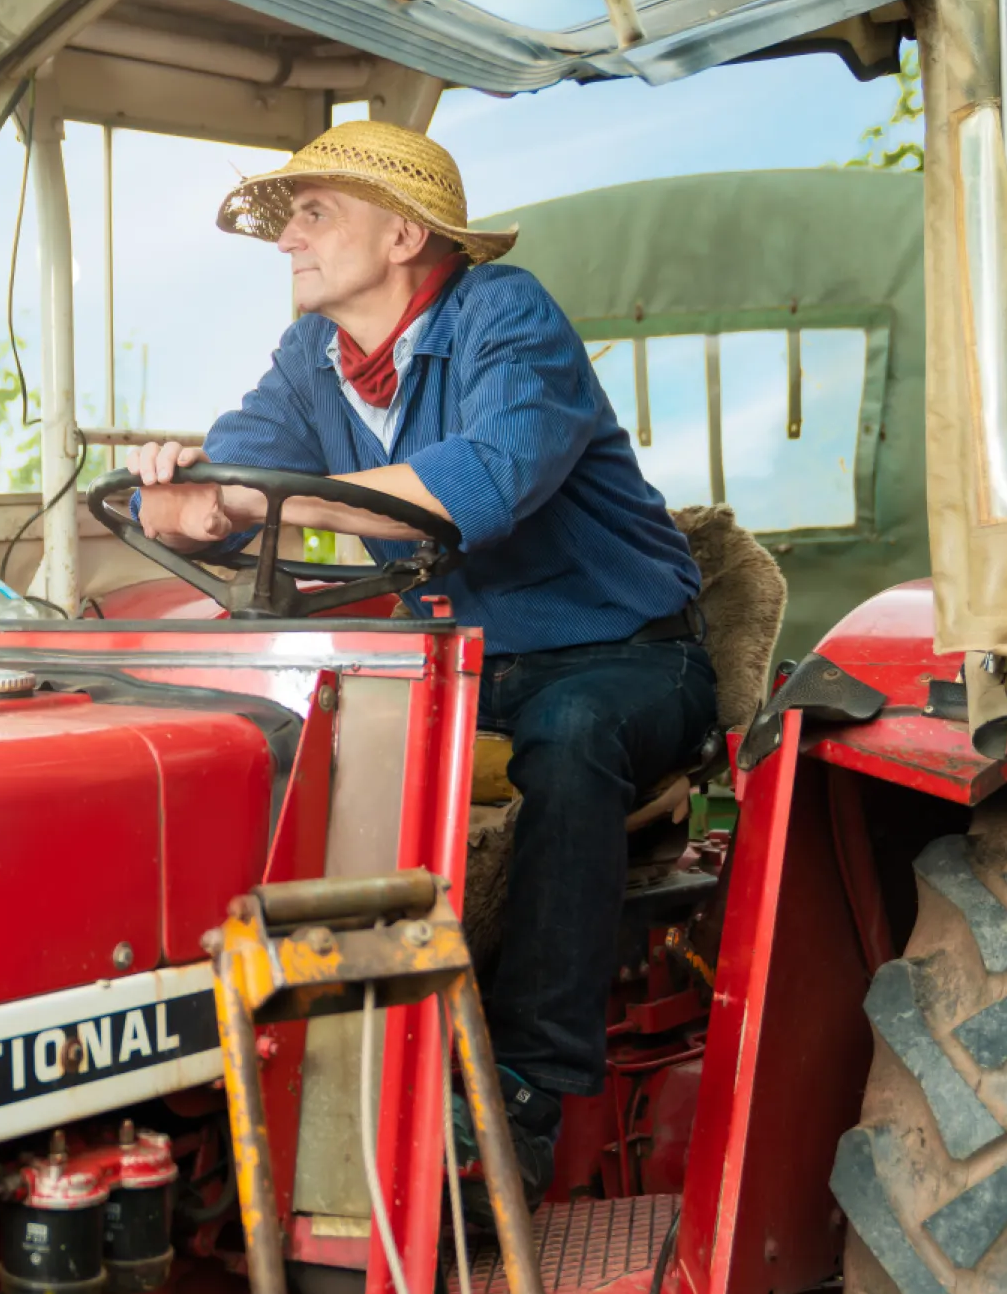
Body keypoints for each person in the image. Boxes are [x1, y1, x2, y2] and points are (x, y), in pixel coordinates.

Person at [127, 120, 716, 1203]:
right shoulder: (312, 358)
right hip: (470, 667)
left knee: (571, 739)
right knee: (301, 729)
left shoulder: (504, 316)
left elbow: (477, 490)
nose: (288, 241)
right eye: (288, 217)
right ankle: (292, 1057)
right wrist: (176, 495)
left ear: (401, 234)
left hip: (624, 658)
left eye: (313, 214)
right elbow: (225, 481)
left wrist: (254, 496)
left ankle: (528, 1101)